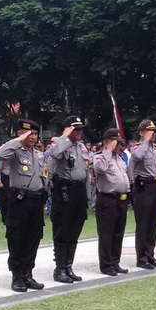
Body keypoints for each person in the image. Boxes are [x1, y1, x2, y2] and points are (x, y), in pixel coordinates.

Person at [0, 119, 48, 293]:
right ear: (20, 134)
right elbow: (0, 154)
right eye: (28, 134)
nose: (32, 137)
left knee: (34, 238)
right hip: (19, 200)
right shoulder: (14, 152)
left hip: (36, 200)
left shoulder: (39, 154)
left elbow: (43, 176)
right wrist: (18, 140)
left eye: (35, 134)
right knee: (17, 238)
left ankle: (28, 273)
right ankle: (17, 276)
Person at [47, 115, 90, 283]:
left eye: (80, 129)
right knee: (62, 229)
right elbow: (54, 154)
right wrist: (65, 137)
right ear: (67, 130)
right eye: (75, 129)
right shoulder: (59, 144)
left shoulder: (81, 146)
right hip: (64, 190)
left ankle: (68, 266)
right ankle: (59, 268)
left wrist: (87, 195)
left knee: (75, 229)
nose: (79, 132)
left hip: (79, 190)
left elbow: (85, 171)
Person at [128, 120, 156, 270]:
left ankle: (150, 255)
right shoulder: (137, 147)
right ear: (141, 133)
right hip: (143, 188)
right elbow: (138, 157)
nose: (153, 133)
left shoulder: (155, 148)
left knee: (153, 223)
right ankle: (142, 258)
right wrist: (145, 141)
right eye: (150, 131)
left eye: (154, 131)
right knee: (143, 224)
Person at [93, 128, 131, 276]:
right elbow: (100, 169)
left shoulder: (119, 158)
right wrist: (108, 150)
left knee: (118, 233)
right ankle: (106, 265)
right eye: (116, 142)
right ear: (107, 142)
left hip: (121, 200)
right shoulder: (100, 157)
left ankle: (115, 262)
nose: (119, 145)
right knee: (106, 234)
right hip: (107, 199)